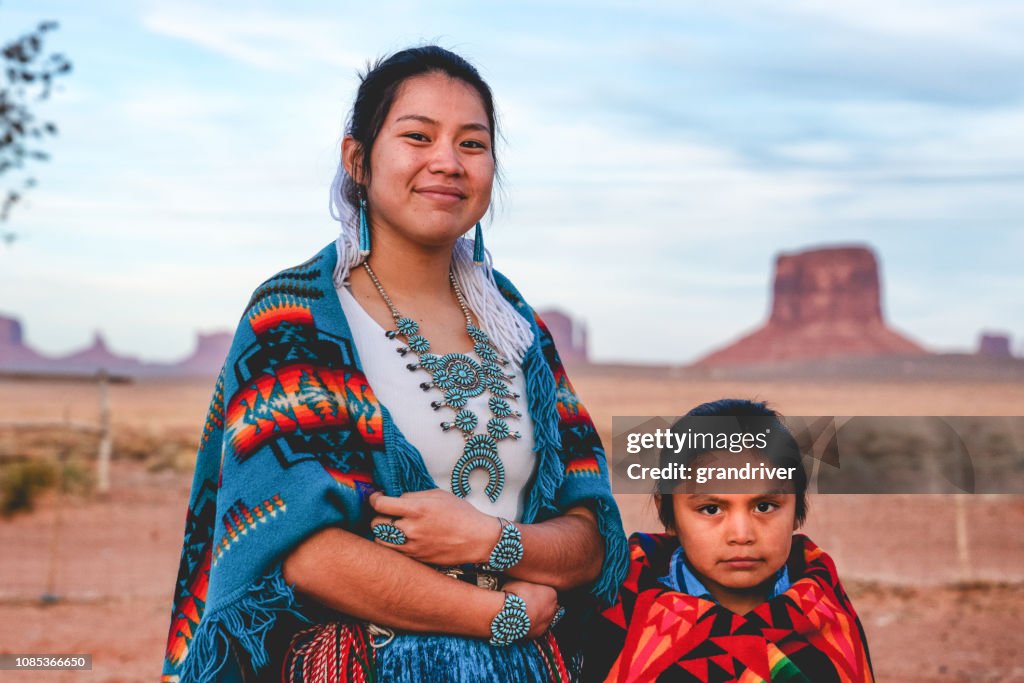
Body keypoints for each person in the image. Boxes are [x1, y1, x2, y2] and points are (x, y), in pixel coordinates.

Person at [162, 46, 627, 682]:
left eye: (473, 144)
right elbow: (298, 549)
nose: (447, 162)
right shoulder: (297, 318)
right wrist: (496, 615)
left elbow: (591, 537)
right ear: (358, 160)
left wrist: (492, 542)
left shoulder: (517, 326)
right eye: (417, 136)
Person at [584, 399, 874, 682]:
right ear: (667, 512)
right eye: (711, 509)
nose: (741, 535)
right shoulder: (622, 614)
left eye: (764, 507)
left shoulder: (827, 618)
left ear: (797, 509)